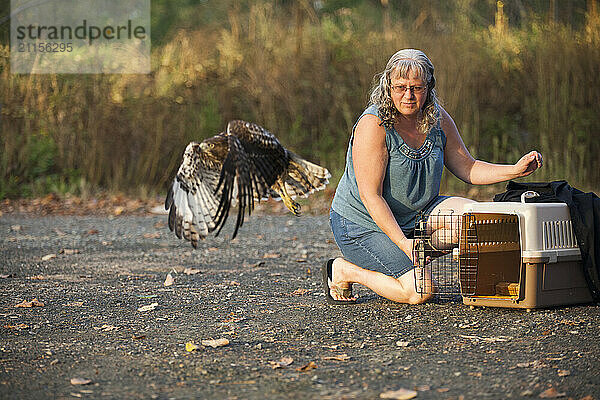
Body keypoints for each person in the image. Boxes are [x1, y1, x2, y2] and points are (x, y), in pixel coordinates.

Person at [325, 49, 543, 305]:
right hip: (363, 223)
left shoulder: (438, 120)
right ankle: (344, 270)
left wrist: (514, 170)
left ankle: (413, 256)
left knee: (476, 219)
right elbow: (370, 197)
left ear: (429, 87)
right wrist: (404, 245)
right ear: (387, 86)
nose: (408, 95)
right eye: (400, 87)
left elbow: (468, 167)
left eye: (416, 88)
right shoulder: (374, 125)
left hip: (416, 216)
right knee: (421, 291)